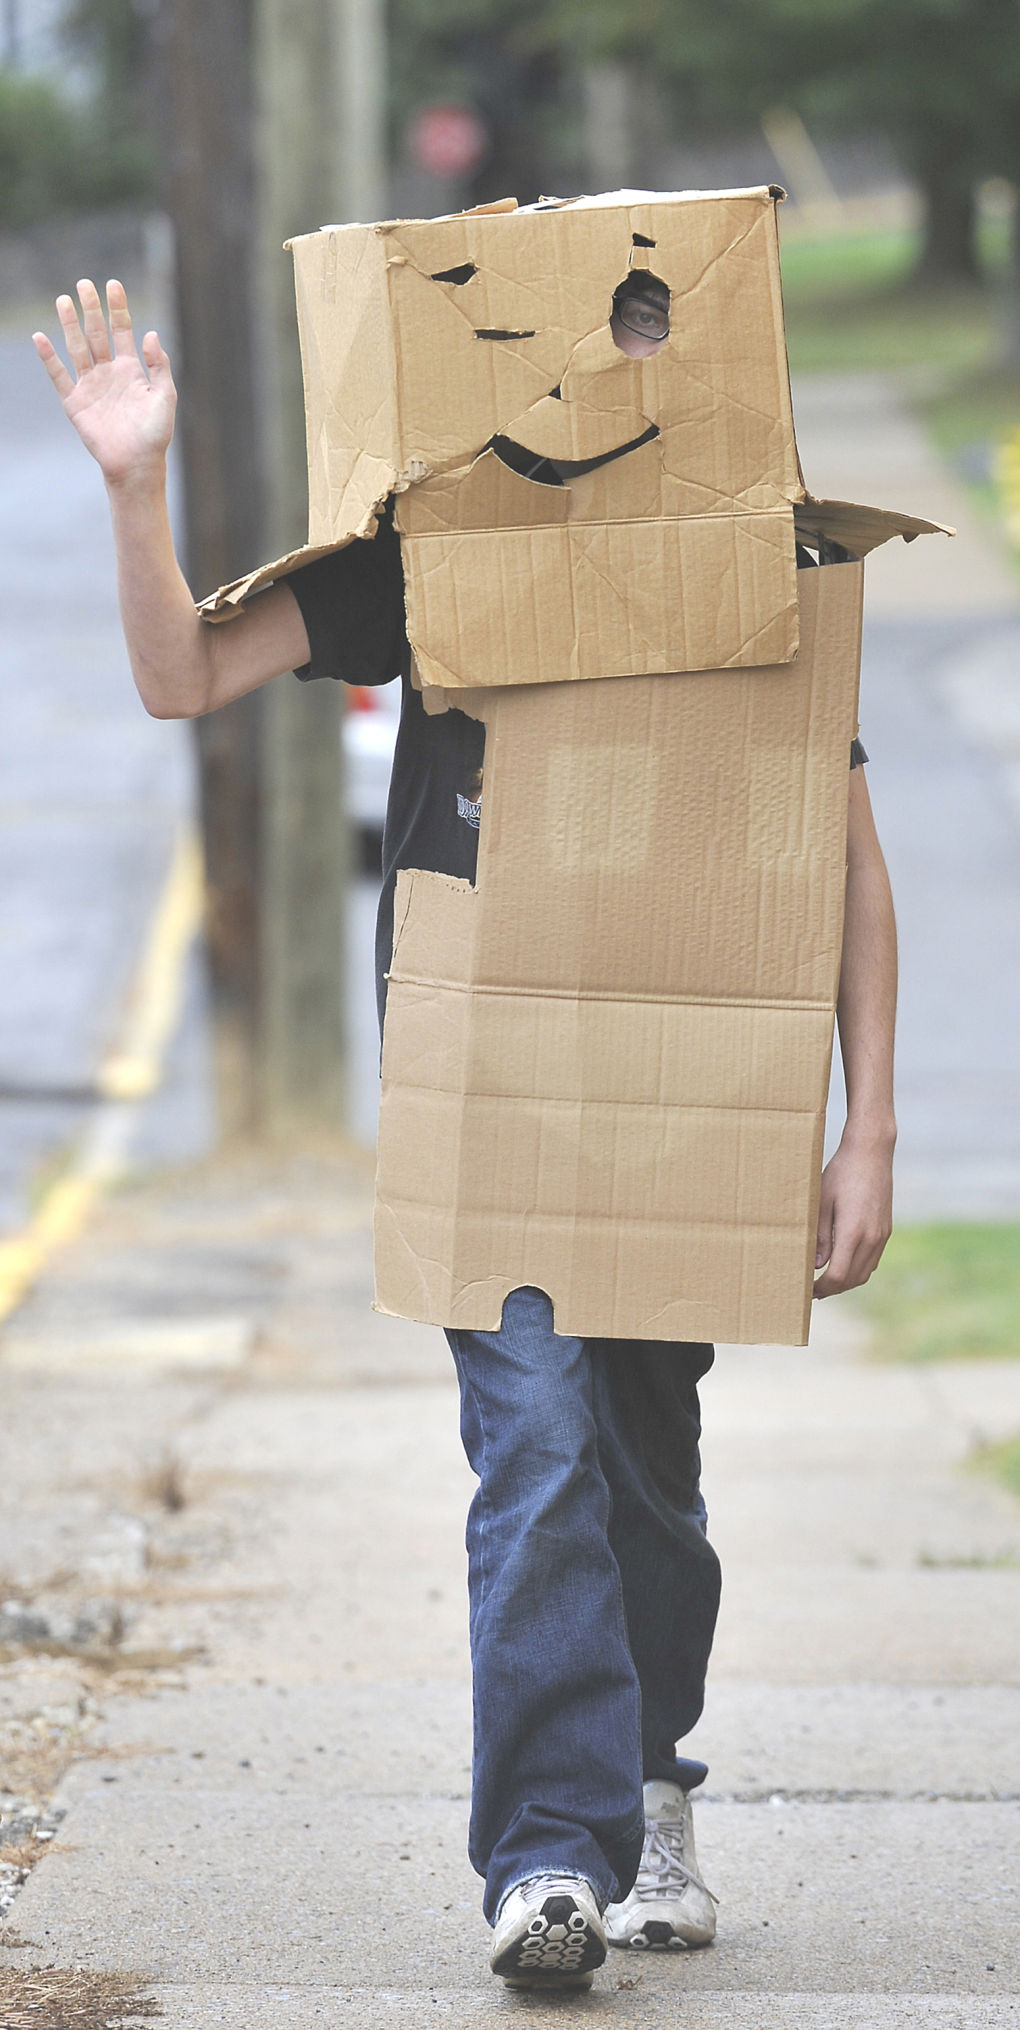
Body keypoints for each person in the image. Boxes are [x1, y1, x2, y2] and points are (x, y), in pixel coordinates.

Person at [34, 269, 897, 1991]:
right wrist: (137, 487)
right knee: (536, 1452)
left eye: (646, 318)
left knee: (647, 1468)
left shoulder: (761, 553)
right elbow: (181, 676)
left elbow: (844, 859)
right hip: (486, 1094)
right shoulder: (431, 555)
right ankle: (546, 1863)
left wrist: (867, 1128)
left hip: (685, 1105)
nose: (602, 361)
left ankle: (651, 1785)